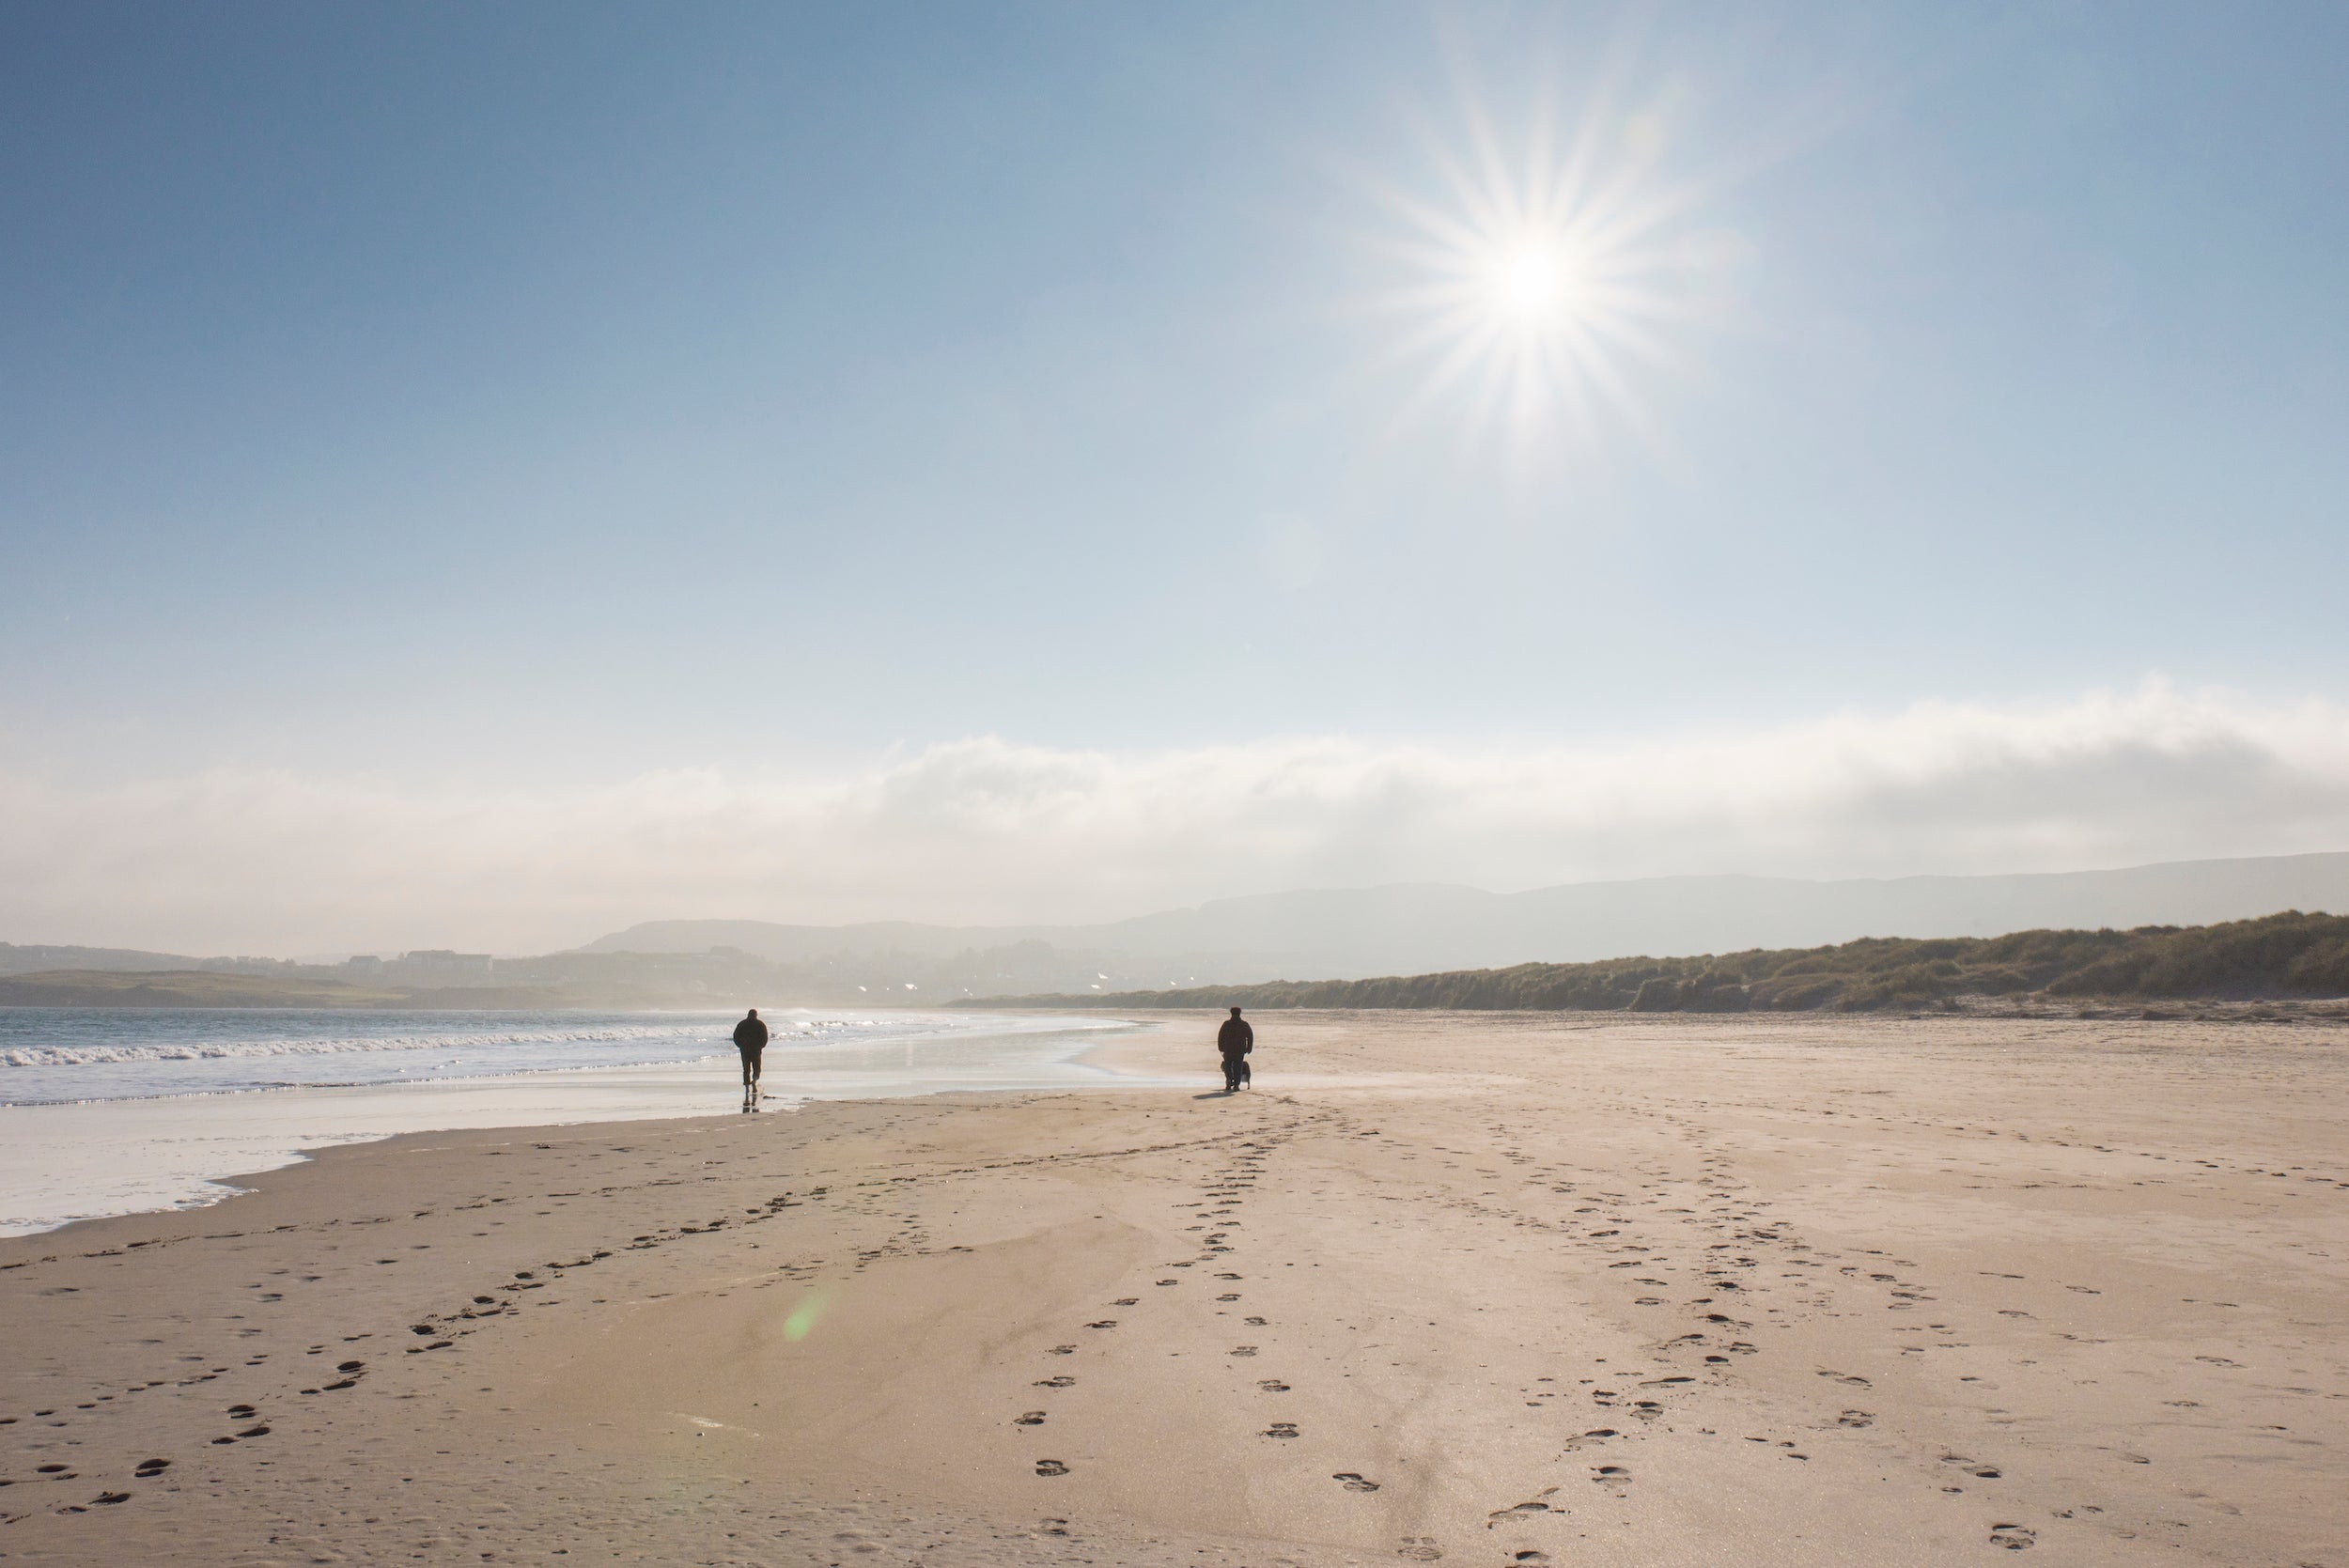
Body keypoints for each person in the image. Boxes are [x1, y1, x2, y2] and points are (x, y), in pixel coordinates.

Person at [733, 1008, 770, 1107]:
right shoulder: (760, 1024)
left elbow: (735, 1036)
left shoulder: (742, 1024)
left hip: (745, 1049)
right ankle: (754, 1081)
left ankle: (747, 1087)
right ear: (756, 1015)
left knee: (746, 1068)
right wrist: (761, 1045)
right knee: (756, 1067)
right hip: (756, 1049)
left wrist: (740, 1045)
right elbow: (765, 1037)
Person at [1217, 1005, 1253, 1093]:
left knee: (1228, 1065)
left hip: (1228, 1049)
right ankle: (1236, 1084)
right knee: (1238, 1066)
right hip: (1240, 1049)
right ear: (1240, 1013)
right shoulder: (1244, 1024)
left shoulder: (1226, 1024)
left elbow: (1220, 1036)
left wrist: (1220, 1047)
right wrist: (1249, 1048)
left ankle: (1229, 1080)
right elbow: (1250, 1036)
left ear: (1231, 1013)